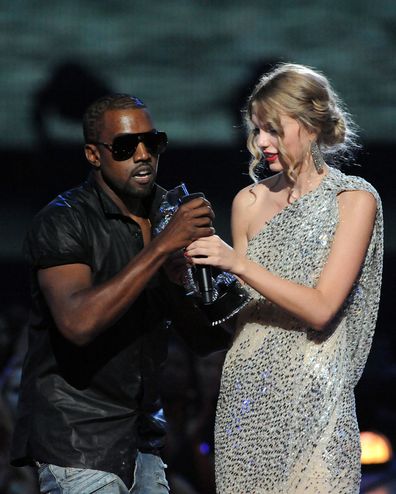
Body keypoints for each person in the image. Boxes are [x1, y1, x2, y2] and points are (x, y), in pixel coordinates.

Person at [10, 94, 227, 493]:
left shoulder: (169, 210)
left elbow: (205, 339)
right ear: (94, 155)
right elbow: (77, 323)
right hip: (77, 439)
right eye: (126, 146)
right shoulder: (63, 220)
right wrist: (161, 248)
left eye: (153, 142)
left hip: (144, 437)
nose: (143, 155)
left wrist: (182, 281)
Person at [186, 64, 383, 493]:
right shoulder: (249, 202)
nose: (261, 142)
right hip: (247, 397)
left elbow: (321, 307)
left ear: (312, 126)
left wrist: (237, 263)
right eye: (257, 130)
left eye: (273, 129)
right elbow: (237, 311)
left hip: (316, 398)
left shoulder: (353, 200)